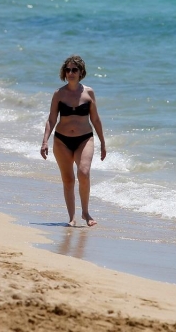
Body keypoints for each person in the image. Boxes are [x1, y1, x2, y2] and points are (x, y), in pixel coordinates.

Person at [40, 55, 107, 227]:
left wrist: (103, 143)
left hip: (85, 139)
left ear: (81, 72)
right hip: (62, 140)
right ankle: (71, 217)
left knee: (83, 173)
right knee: (68, 179)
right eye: (68, 70)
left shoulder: (89, 92)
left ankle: (85, 212)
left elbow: (96, 120)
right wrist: (45, 141)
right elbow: (51, 119)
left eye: (74, 70)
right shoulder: (59, 94)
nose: (71, 73)